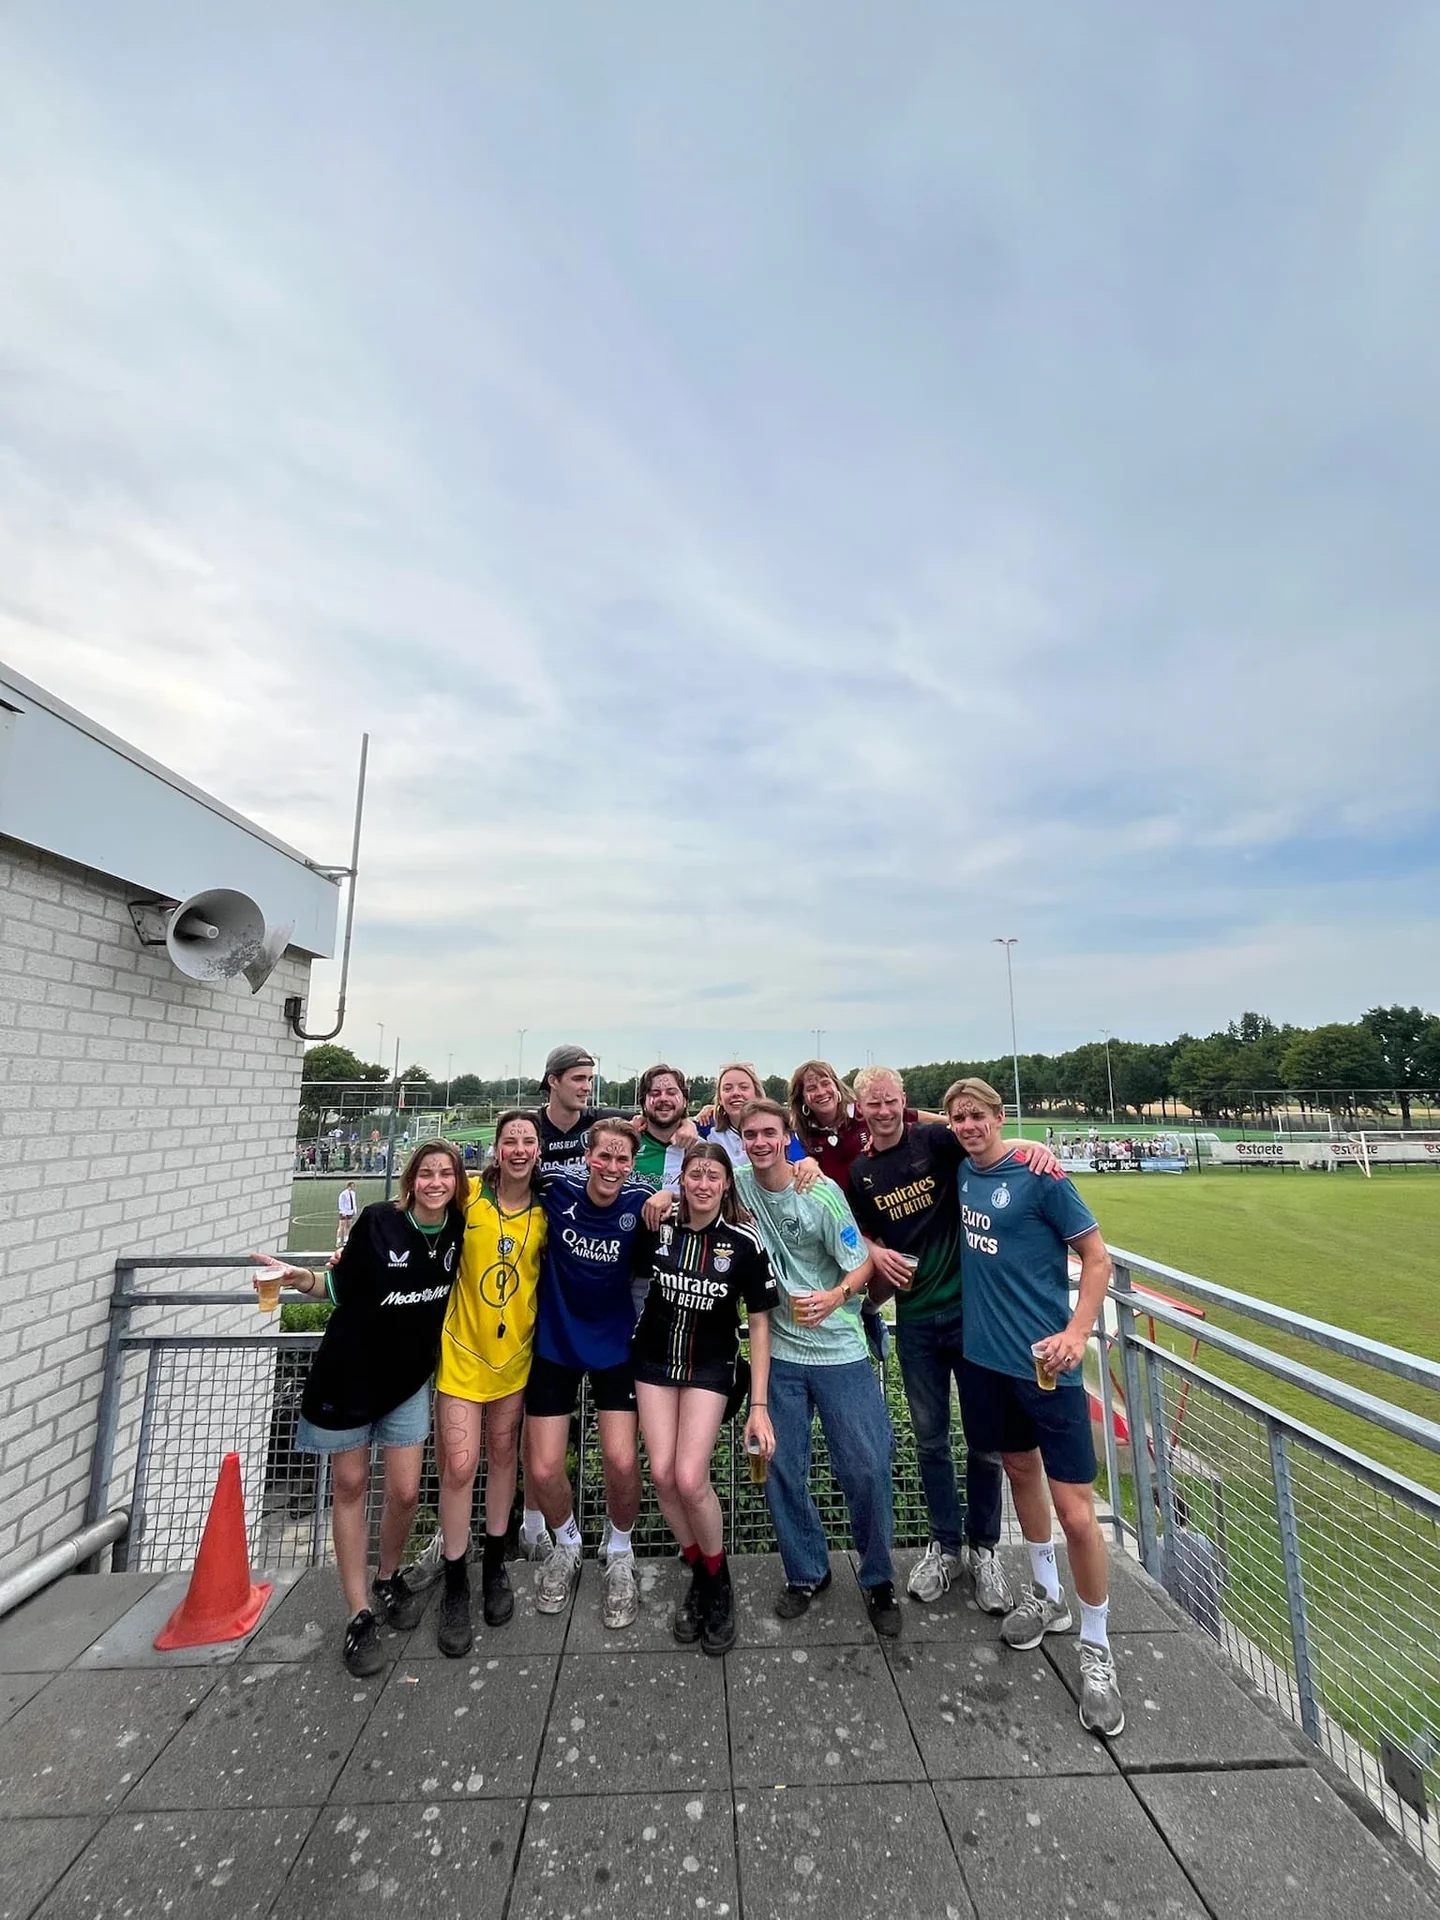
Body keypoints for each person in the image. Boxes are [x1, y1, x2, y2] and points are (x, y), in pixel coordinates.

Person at [679, 1099, 902, 1638]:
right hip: (779, 1353)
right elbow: (695, 1180)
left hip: (840, 1351)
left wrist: (836, 1296)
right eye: (749, 1135)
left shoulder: (818, 1191)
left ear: (786, 1139)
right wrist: (664, 1192)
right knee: (781, 1468)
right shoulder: (738, 1186)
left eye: (768, 1135)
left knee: (867, 1466)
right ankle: (807, 1572)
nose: (758, 1143)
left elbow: (862, 1264)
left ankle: (877, 1579)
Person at [944, 1077, 1124, 1736]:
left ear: (999, 1117)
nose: (968, 1126)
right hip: (987, 1363)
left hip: (1048, 1368)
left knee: (1078, 1511)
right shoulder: (960, 1168)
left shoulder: (1042, 1177)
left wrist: (1077, 1333)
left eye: (979, 1117)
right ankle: (1048, 1595)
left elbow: (1096, 1258)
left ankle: (1098, 1645)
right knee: (1019, 1472)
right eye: (958, 1118)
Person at [847, 1066, 1059, 1615]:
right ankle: (944, 1546)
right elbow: (863, 1232)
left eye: (891, 1101)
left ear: (903, 1102)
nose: (884, 1111)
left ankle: (984, 1548)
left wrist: (1030, 1145)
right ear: (861, 1109)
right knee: (930, 1440)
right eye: (873, 1104)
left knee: (984, 1440)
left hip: (974, 1317)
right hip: (916, 1321)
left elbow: (979, 1136)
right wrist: (874, 1251)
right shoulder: (861, 1172)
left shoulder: (934, 1140)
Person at [250, 1140, 467, 1676]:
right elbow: (339, 1287)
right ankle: (359, 1613)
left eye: (446, 1174)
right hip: (349, 1375)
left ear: (458, 1182)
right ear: (411, 1180)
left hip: (408, 1382)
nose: (436, 1182)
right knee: (349, 1488)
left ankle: (387, 1577)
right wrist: (297, 1277)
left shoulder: (461, 1230)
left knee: (406, 1491)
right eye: (427, 1173)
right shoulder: (377, 1222)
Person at [631, 1142, 778, 1653]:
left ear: (725, 1184)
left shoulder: (743, 1239)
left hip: (711, 1368)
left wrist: (758, 1405)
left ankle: (719, 1583)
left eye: (713, 1176)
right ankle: (702, 1570)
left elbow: (760, 1321)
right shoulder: (658, 1226)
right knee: (662, 1475)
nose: (703, 1184)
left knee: (691, 1478)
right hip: (652, 1362)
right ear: (684, 1178)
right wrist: (660, 1193)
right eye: (694, 1174)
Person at [522, 1118, 654, 1628]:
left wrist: (666, 1199)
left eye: (623, 1159)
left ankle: (619, 1550)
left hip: (616, 1345)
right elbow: (496, 1181)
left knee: (622, 1462)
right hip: (555, 1343)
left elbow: (699, 1192)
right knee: (544, 1468)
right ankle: (568, 1544)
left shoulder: (642, 1202)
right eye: (605, 1157)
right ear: (587, 1154)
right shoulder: (556, 1188)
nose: (613, 1168)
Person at [430, 1109, 547, 1655]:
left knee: (505, 1459)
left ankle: (494, 1563)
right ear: (497, 1149)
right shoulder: (468, 1196)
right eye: (511, 1141)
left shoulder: (548, 1209)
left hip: (515, 1359)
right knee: (458, 1465)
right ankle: (457, 1578)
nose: (520, 1148)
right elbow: (412, 1215)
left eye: (529, 1140)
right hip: (461, 1353)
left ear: (538, 1150)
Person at [632, 1063, 694, 1193]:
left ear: (685, 1101)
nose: (663, 1099)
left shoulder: (701, 1147)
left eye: (671, 1093)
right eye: (655, 1093)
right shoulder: (628, 1144)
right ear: (643, 1103)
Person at [335, 1181, 358, 1249]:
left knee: (348, 1226)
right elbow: (341, 1203)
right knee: (341, 1226)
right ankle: (338, 1241)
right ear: (349, 1186)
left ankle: (345, 1240)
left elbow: (354, 1202)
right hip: (344, 1212)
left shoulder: (353, 1193)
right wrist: (343, 1212)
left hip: (350, 1212)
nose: (353, 1187)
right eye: (352, 1186)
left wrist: (355, 1211)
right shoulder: (343, 1194)